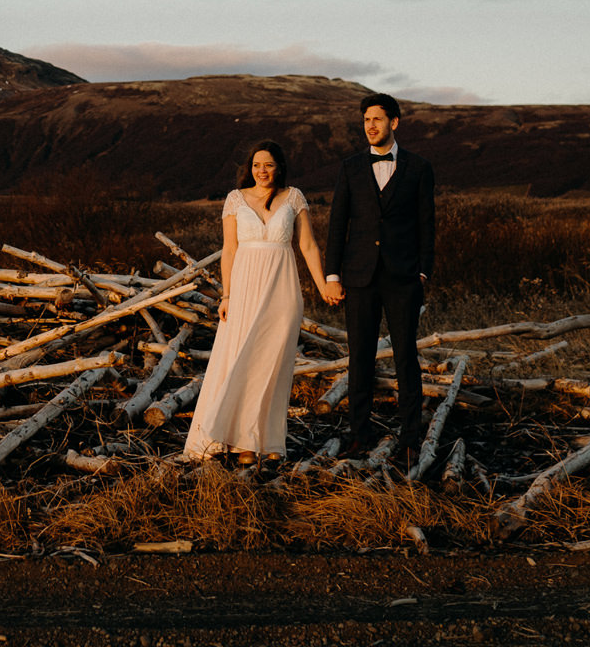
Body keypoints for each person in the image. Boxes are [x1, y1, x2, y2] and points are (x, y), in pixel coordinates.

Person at [182, 140, 337, 465]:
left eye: (267, 165)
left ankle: (266, 440)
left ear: (278, 166)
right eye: (256, 165)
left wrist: (323, 283)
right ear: (249, 168)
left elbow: (307, 245)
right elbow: (230, 250)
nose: (262, 171)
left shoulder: (293, 197)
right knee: (241, 358)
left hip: (282, 289)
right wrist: (226, 295)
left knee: (273, 366)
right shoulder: (235, 200)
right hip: (245, 289)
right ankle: (240, 442)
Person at [325, 93, 435, 465]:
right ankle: (360, 434)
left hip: (403, 277)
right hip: (358, 276)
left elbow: (427, 224)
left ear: (395, 122)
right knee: (360, 358)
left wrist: (422, 270)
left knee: (406, 357)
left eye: (377, 119)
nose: (370, 125)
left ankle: (409, 439)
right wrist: (332, 273)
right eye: (366, 120)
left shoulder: (419, 168)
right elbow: (338, 223)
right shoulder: (350, 167)